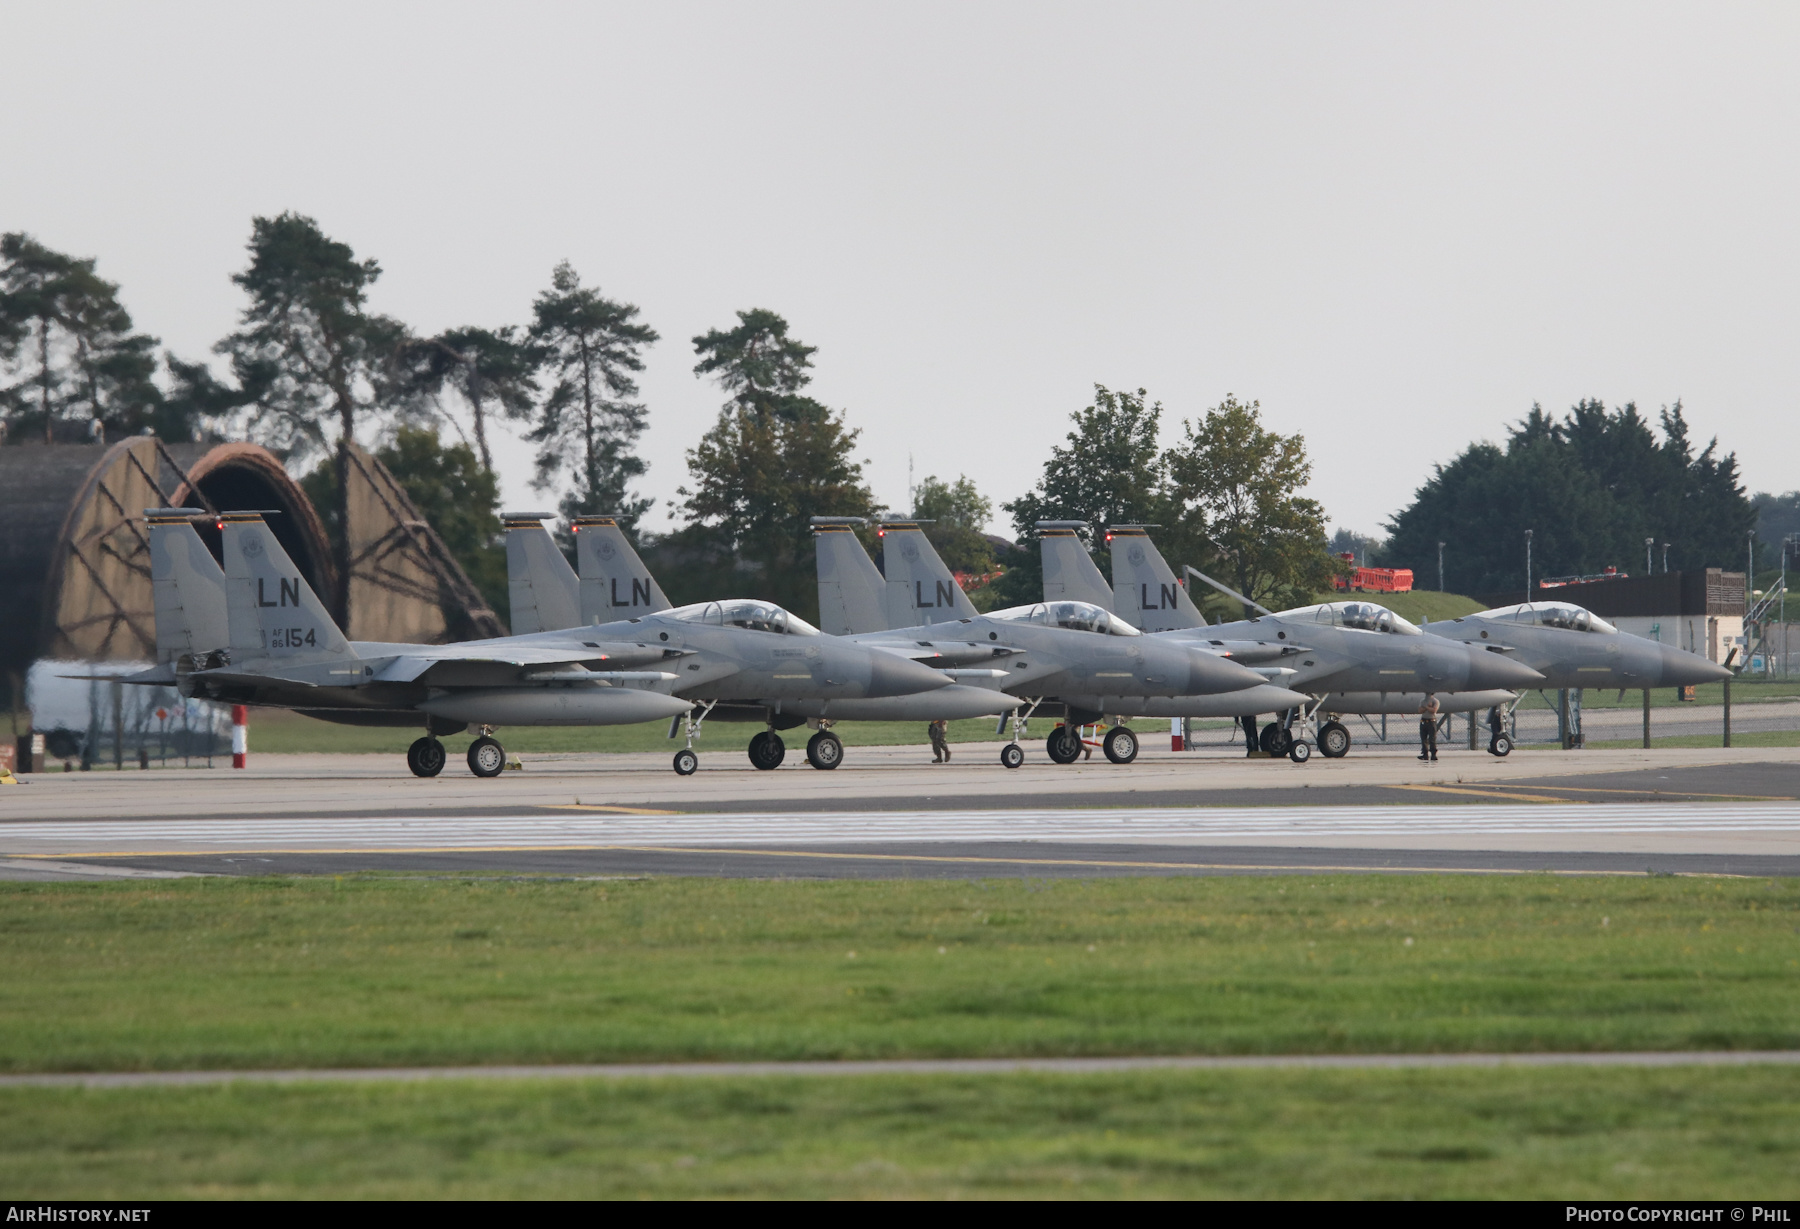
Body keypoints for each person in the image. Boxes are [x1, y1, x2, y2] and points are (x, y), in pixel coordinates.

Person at [1418, 694, 1441, 762]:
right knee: (1423, 739)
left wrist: (1425, 707)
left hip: (1431, 721)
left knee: (1432, 739)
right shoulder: (1422, 701)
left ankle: (1433, 754)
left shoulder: (1435, 701)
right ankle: (1425, 754)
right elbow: (1419, 710)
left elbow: (1434, 710)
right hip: (1423, 721)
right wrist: (1427, 707)